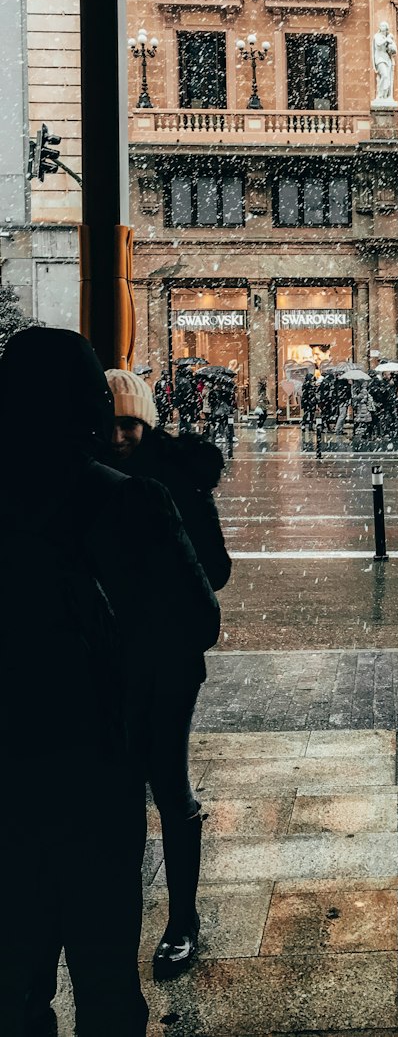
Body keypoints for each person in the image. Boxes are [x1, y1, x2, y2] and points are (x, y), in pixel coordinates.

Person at [0, 329, 218, 1037]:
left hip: (10, 776)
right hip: (99, 764)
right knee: (106, 984)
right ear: (91, 407)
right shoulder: (128, 503)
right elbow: (199, 617)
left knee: (14, 983)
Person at [104, 370, 228, 978]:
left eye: (129, 422)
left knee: (168, 784)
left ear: (146, 423)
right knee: (118, 788)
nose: (119, 434)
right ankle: (120, 911)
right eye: (111, 423)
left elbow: (216, 570)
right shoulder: (88, 479)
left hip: (166, 654)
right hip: (105, 659)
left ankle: (183, 919)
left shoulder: (173, 481)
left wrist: (164, 583)